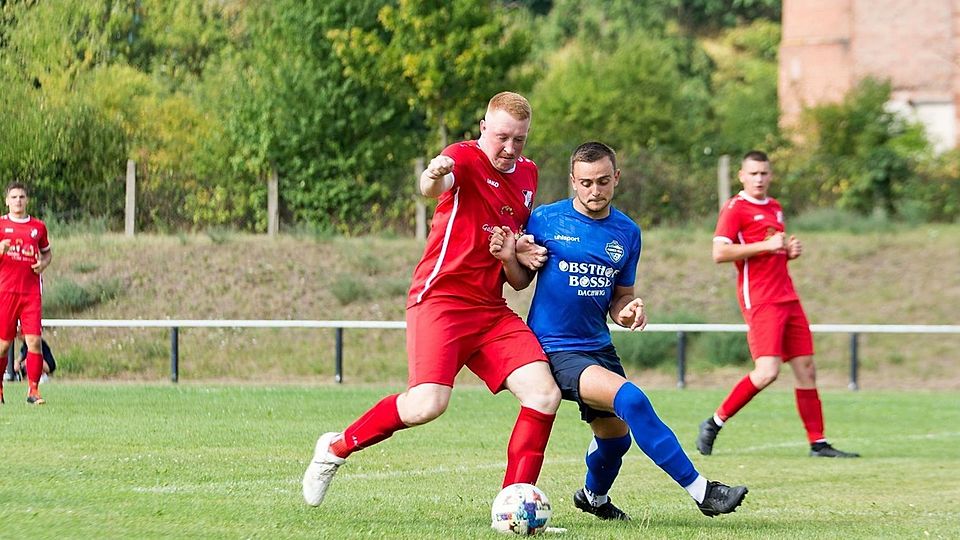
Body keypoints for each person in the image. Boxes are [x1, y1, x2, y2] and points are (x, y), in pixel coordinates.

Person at [302, 91, 562, 507]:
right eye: (501, 138)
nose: (510, 149)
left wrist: (518, 251)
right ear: (483, 128)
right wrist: (432, 172)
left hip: (490, 310)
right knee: (427, 404)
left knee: (544, 395)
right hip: (440, 300)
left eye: (519, 140)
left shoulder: (528, 175)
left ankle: (514, 505)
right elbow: (433, 185)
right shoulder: (462, 156)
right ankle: (335, 448)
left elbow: (517, 280)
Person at [489, 141, 748, 520]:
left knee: (615, 440)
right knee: (633, 399)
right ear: (573, 182)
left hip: (599, 346)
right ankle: (703, 491)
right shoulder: (545, 219)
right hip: (556, 349)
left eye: (603, 181)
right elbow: (519, 281)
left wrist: (627, 311)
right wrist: (512, 256)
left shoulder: (627, 232)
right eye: (586, 182)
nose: (595, 191)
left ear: (616, 178)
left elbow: (620, 297)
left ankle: (593, 499)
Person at [696, 150, 859, 458]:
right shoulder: (734, 208)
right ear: (742, 176)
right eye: (753, 173)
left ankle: (818, 443)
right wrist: (766, 246)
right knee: (768, 371)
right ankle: (714, 422)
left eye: (764, 173)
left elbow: (773, 249)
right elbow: (719, 253)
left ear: (771, 175)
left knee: (806, 369)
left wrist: (788, 251)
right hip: (761, 300)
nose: (759, 178)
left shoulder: (775, 207)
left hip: (788, 296)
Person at [0, 182, 53, 405]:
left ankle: (33, 390)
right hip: (6, 291)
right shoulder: (1, 225)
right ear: (7, 201)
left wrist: (43, 264)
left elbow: (47, 253)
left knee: (34, 342)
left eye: (21, 197)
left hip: (31, 293)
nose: (18, 201)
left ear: (27, 200)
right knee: (3, 344)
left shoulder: (38, 227)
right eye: (14, 197)